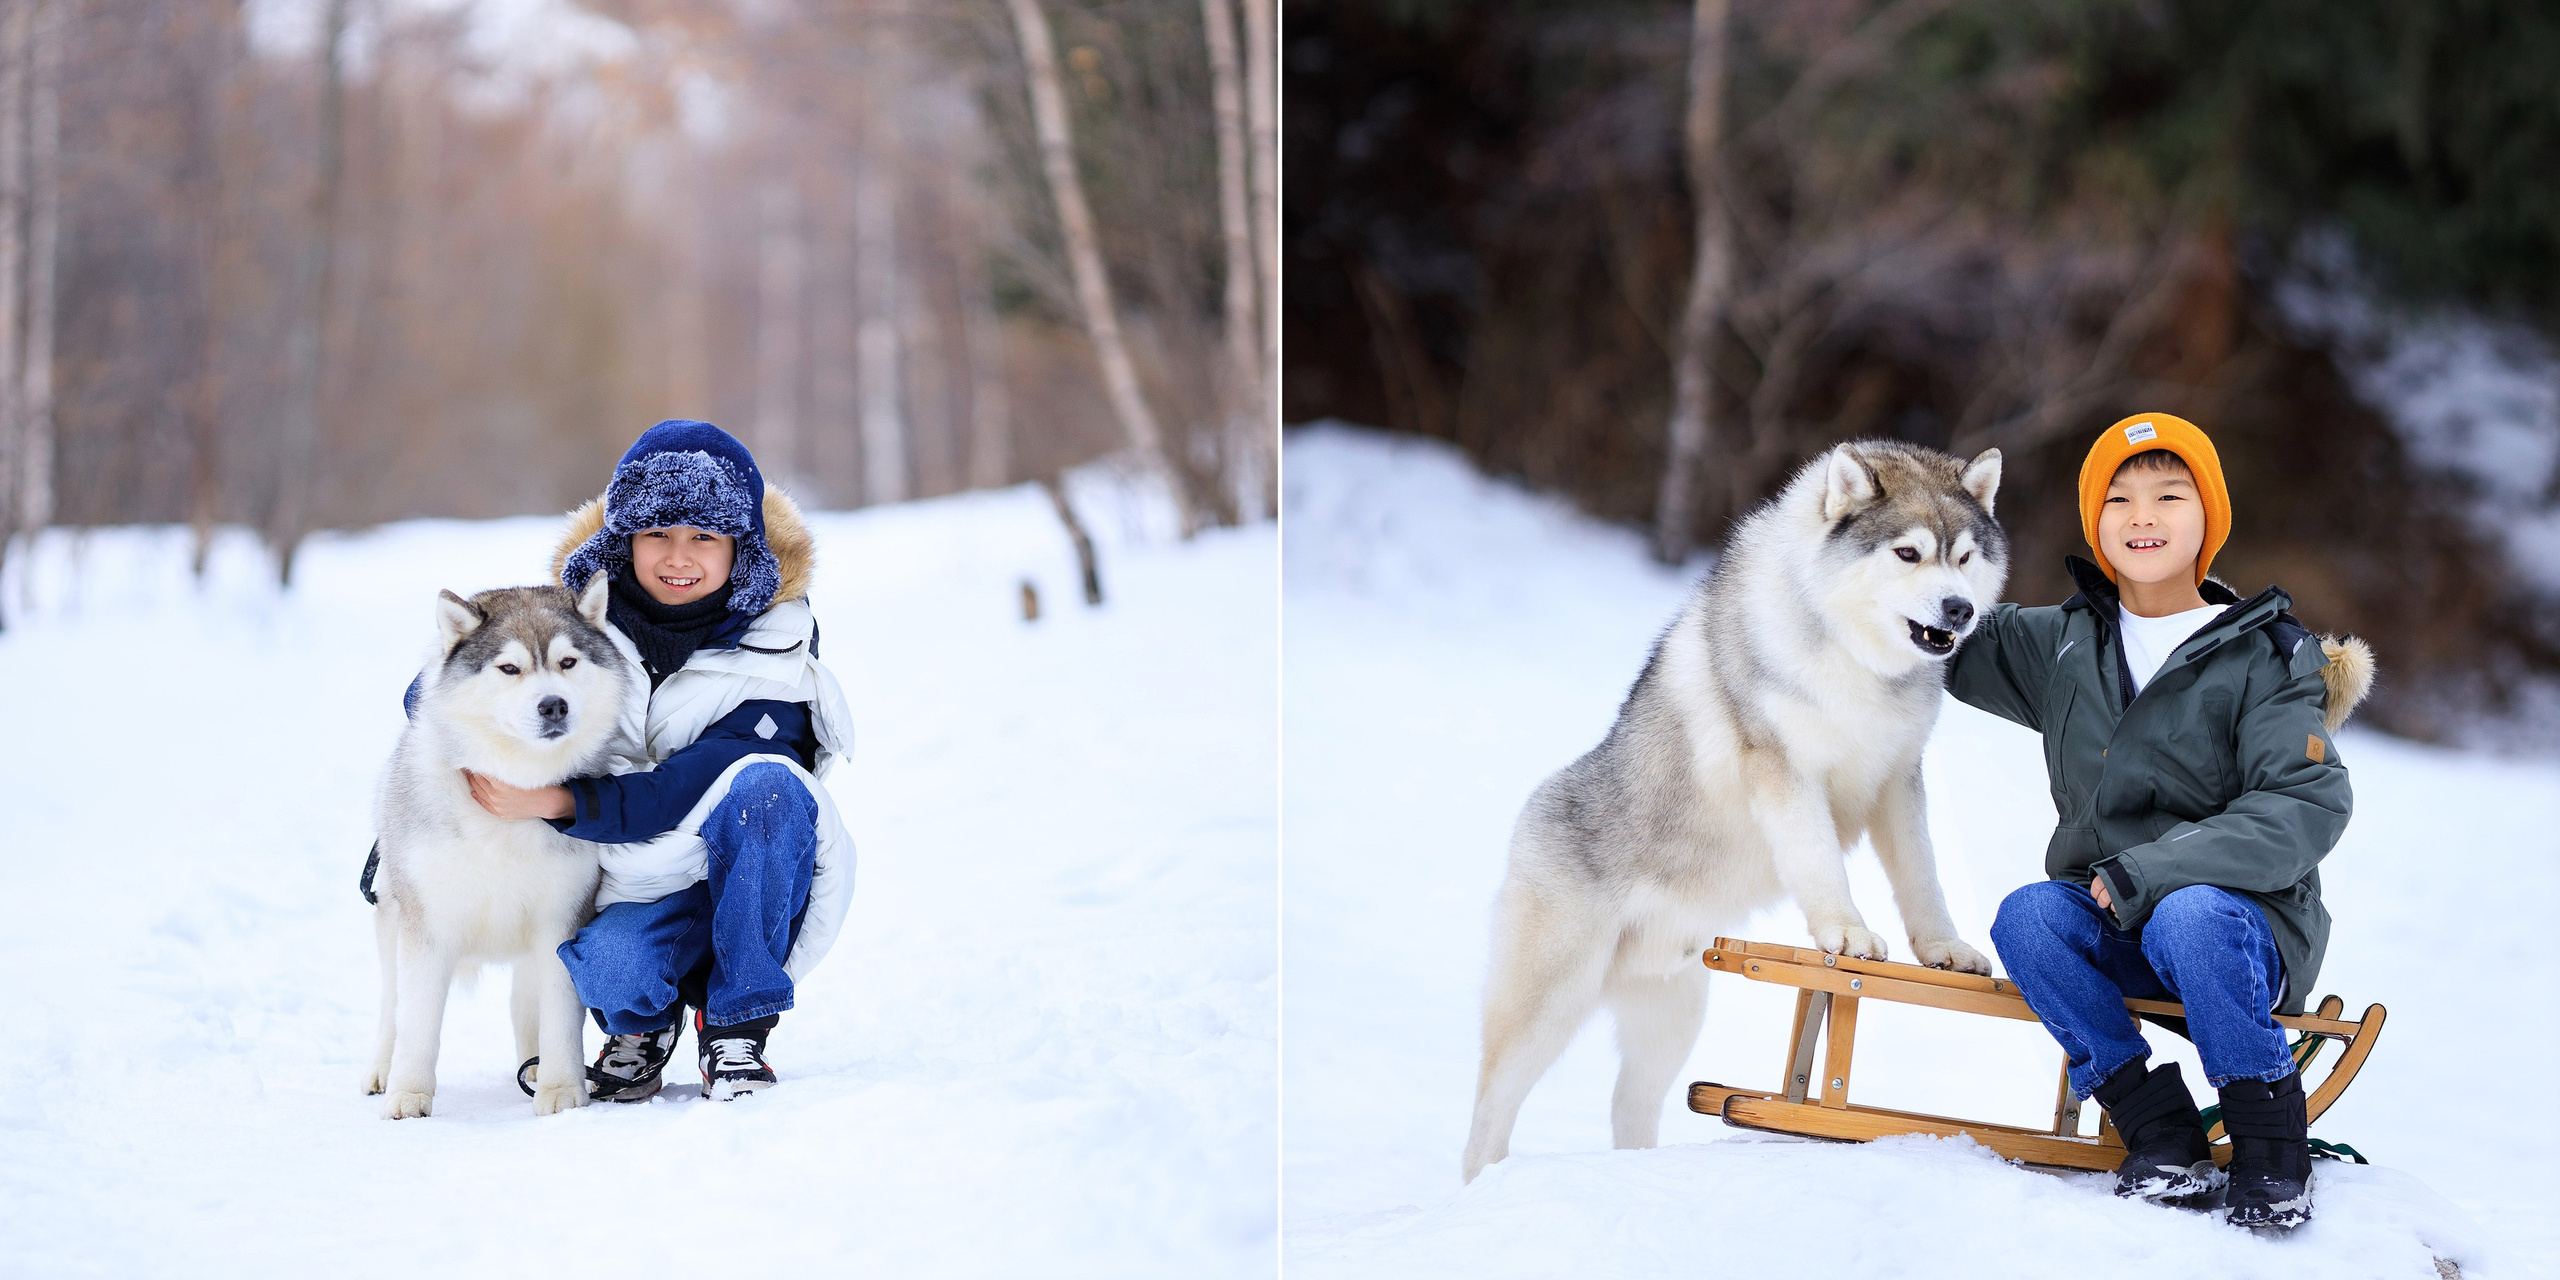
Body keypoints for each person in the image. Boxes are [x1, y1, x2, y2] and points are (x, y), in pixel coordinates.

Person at [1946, 413, 2367, 1230]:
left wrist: (2153, 870)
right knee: (2028, 917)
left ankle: (2270, 1143)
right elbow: (1933, 629)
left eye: (2169, 495)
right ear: (2095, 523)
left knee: (2192, 912)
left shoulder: (2267, 656)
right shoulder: (2060, 643)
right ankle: (2158, 1130)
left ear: (2209, 517)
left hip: (2239, 928)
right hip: (2111, 919)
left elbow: (2306, 802)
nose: (2142, 516)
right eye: (2119, 497)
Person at [464, 418, 854, 1102]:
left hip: (753, 867)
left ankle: (736, 1025)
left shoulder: (781, 651)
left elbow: (684, 785)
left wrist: (557, 802)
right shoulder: (580, 622)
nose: (680, 556)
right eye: (658, 535)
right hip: (634, 881)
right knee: (611, 968)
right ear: (625, 541)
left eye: (704, 536)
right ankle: (640, 1028)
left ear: (741, 547)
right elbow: (449, 682)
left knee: (766, 787)